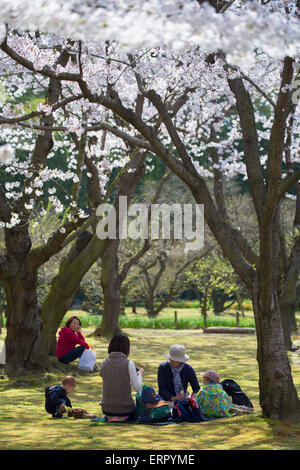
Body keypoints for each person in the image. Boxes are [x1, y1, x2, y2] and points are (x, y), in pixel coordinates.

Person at [99, 334, 144, 421]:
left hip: (106, 409)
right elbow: (137, 388)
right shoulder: (129, 363)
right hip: (125, 409)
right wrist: (140, 375)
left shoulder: (104, 363)